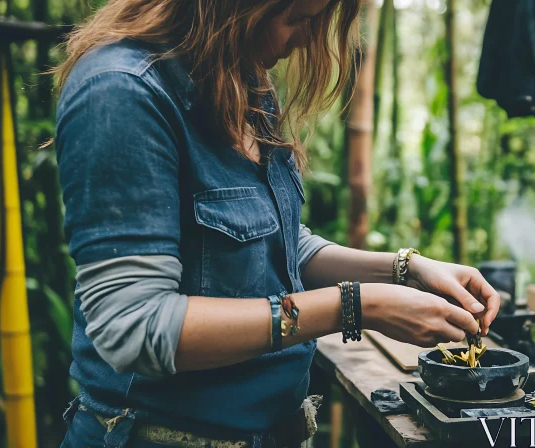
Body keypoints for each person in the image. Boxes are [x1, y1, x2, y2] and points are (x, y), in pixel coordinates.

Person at [54, 0, 501, 446]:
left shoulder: (240, 81)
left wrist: (406, 270)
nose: (306, 38)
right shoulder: (122, 92)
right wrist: (357, 307)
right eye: (297, 20)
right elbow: (136, 325)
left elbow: (281, 247)